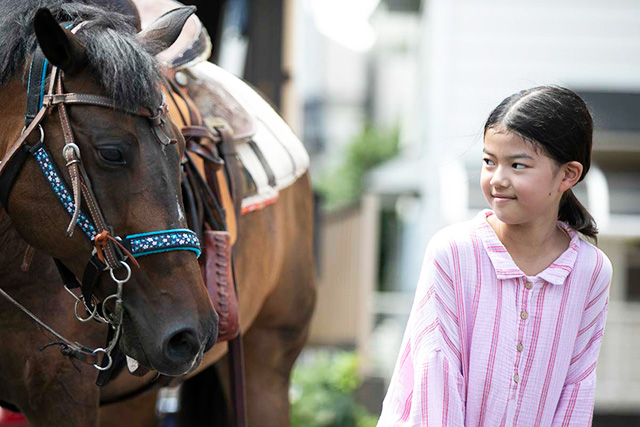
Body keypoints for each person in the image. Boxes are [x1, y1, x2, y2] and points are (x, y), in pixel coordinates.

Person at [377, 86, 612, 426]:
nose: (497, 179)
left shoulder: (592, 270)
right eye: (490, 161)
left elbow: (577, 384)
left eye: (518, 165)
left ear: (568, 175)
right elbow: (436, 374)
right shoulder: (453, 252)